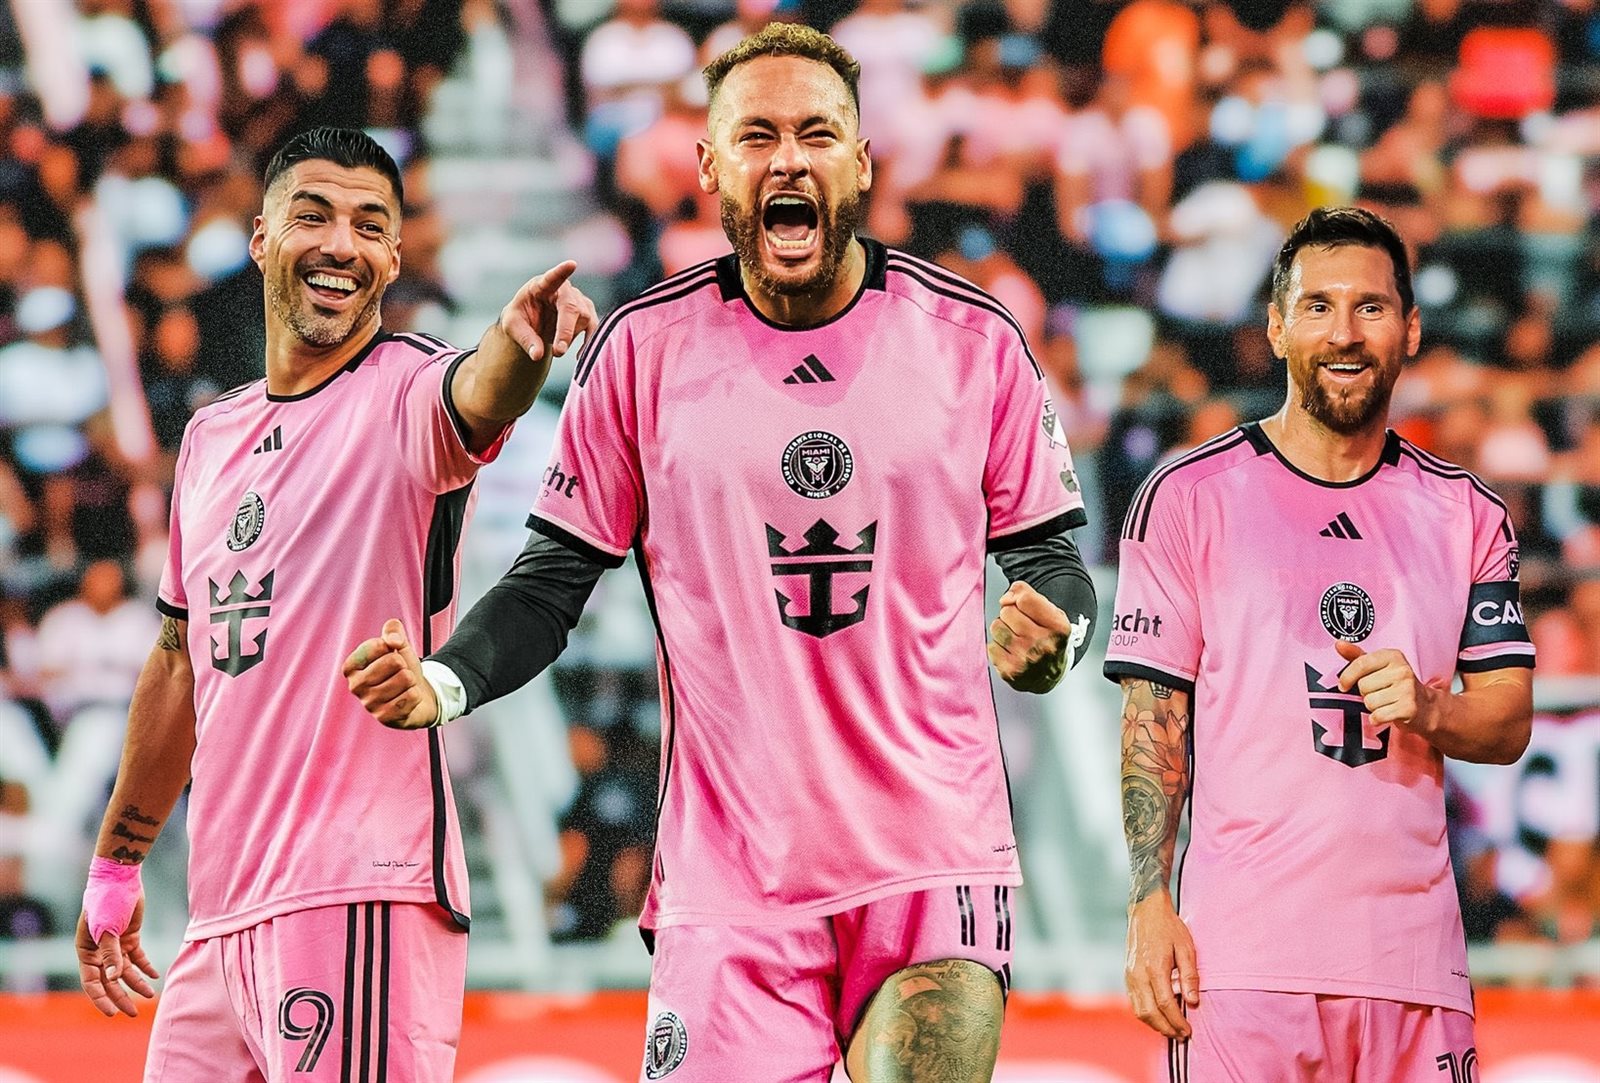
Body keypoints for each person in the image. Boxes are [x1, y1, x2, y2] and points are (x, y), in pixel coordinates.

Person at [345, 24, 1098, 1083]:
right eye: (756, 135)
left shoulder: (973, 343)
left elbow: (1053, 560)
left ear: (861, 162)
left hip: (931, 862)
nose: (787, 158)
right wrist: (446, 679)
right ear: (708, 165)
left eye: (816, 134)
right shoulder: (640, 354)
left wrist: (1058, 637)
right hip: (729, 880)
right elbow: (551, 582)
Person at [75, 126, 597, 1083]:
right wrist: (116, 866)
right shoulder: (210, 438)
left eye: (369, 225)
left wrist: (521, 343)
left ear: (393, 257)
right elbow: (180, 659)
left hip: (358, 893)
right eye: (313, 216)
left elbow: (481, 390)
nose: (341, 245)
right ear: (261, 237)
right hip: (219, 916)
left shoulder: (408, 390)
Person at [1105, 206, 1534, 1082]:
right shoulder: (1188, 497)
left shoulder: (1467, 513)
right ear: (1276, 327)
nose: (1344, 333)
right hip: (1240, 971)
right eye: (1318, 306)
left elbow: (1509, 720)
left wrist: (1431, 707)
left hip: (1416, 972)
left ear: (1410, 330)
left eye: (1371, 307)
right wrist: (1148, 904)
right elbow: (1154, 721)